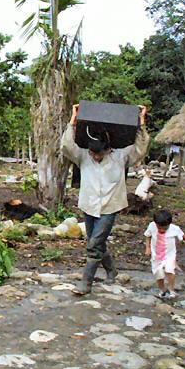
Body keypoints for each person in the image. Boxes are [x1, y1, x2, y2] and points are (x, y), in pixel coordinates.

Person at [61, 103, 150, 295]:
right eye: (92, 152)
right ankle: (111, 270)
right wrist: (73, 119)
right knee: (95, 243)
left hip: (110, 207)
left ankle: (86, 284)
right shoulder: (83, 157)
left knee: (94, 245)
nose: (95, 156)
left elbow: (140, 148)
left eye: (98, 153)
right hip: (89, 205)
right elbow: (67, 145)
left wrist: (141, 122)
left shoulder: (120, 157)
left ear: (107, 149)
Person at [144, 209, 185, 299]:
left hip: (169, 255)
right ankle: (162, 289)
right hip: (156, 256)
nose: (162, 230)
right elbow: (148, 236)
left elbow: (183, 235)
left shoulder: (174, 229)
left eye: (165, 228)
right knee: (158, 274)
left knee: (170, 271)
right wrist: (148, 248)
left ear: (169, 225)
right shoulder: (152, 226)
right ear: (155, 223)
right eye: (159, 228)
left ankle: (171, 290)